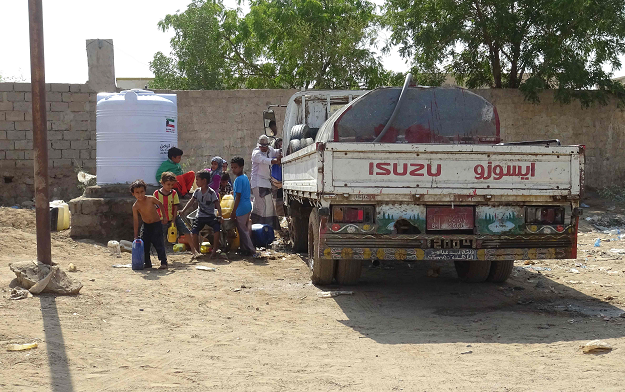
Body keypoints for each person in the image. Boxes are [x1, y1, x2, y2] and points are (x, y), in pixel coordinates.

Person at [180, 169, 222, 259]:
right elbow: (191, 202)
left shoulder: (211, 192)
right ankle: (197, 252)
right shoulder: (197, 191)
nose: (196, 182)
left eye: (197, 180)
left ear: (204, 181)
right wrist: (183, 210)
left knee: (217, 229)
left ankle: (215, 249)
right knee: (194, 231)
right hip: (200, 216)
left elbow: (217, 205)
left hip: (210, 216)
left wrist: (220, 216)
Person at [131, 179, 168, 269]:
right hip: (146, 225)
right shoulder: (135, 206)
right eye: (137, 192)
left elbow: (160, 204)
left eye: (142, 192)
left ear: (145, 191)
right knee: (145, 244)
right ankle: (147, 263)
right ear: (133, 194)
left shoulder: (151, 199)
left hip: (156, 224)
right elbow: (136, 221)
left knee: (158, 243)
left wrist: (164, 217)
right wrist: (136, 235)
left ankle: (164, 262)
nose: (140, 195)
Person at [251, 135, 281, 228]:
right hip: (258, 183)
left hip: (266, 182)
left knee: (264, 206)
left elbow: (277, 152)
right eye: (261, 146)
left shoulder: (270, 150)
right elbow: (264, 160)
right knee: (263, 208)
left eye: (265, 146)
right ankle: (262, 229)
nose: (263, 148)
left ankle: (262, 228)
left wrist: (281, 151)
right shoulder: (256, 153)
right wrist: (275, 161)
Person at [229, 156, 255, 256]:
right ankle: (245, 249)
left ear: (241, 167)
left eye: (235, 167)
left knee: (242, 231)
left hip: (241, 207)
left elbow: (238, 197)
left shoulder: (239, 179)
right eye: (232, 167)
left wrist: (233, 212)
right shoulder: (244, 177)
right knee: (245, 228)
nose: (233, 169)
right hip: (247, 205)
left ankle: (251, 250)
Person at [154, 171, 190, 240]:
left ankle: (193, 249)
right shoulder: (156, 194)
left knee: (186, 231)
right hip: (161, 219)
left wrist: (173, 220)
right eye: (168, 184)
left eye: (172, 185)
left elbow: (175, 206)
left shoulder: (174, 193)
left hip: (174, 216)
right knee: (161, 235)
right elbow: (154, 207)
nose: (170, 186)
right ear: (162, 183)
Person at [270, 138, 284, 218]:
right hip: (275, 182)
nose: (280, 147)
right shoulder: (272, 158)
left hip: (283, 182)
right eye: (279, 145)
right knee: (275, 202)